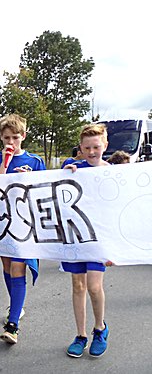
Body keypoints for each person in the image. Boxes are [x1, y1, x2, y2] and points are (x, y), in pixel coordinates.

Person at [0, 113, 46, 345]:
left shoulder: (35, 161)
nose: (10, 143)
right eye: (6, 138)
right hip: (2, 222)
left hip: (24, 223)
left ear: (24, 136)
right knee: (8, 265)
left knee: (20, 266)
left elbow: (43, 192)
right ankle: (15, 305)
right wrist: (5, 163)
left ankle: (13, 325)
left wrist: (29, 180)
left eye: (15, 138)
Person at [62, 123, 110, 358]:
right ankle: (80, 335)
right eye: (87, 147)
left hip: (99, 239)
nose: (92, 152)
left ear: (105, 146)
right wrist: (64, 175)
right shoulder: (71, 169)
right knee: (78, 286)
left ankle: (99, 328)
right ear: (80, 148)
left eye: (96, 147)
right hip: (75, 237)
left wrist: (115, 248)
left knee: (94, 286)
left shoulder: (112, 172)